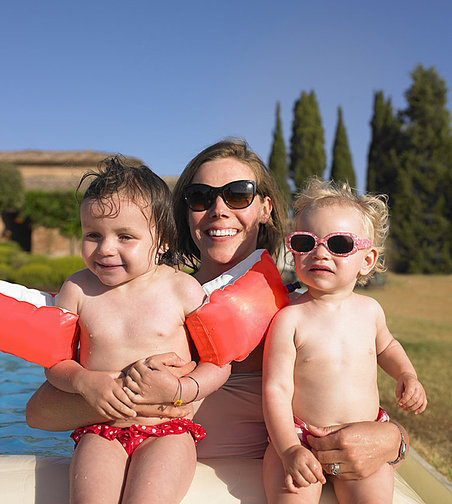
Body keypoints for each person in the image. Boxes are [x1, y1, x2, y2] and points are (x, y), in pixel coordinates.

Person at [26, 140, 411, 499]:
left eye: (238, 194)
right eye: (200, 197)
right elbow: (39, 412)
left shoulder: (299, 311)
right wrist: (137, 392)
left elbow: (351, 395)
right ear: (183, 213)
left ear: (265, 208)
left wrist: (394, 440)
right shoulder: (144, 304)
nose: (219, 209)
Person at [44, 155, 230, 504]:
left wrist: (183, 389)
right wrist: (84, 381)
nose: (106, 249)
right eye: (93, 235)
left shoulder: (182, 291)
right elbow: (54, 363)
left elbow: (220, 362)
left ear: (162, 241)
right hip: (101, 430)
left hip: (169, 431)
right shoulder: (78, 290)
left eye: (125, 236)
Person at [263, 178, 427, 504]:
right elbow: (275, 389)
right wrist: (289, 449)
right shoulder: (289, 319)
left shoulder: (370, 311)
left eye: (338, 244)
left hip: (365, 433)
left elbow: (387, 347)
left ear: (367, 260)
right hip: (302, 435)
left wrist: (407, 375)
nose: (319, 252)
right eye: (305, 242)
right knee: (290, 494)